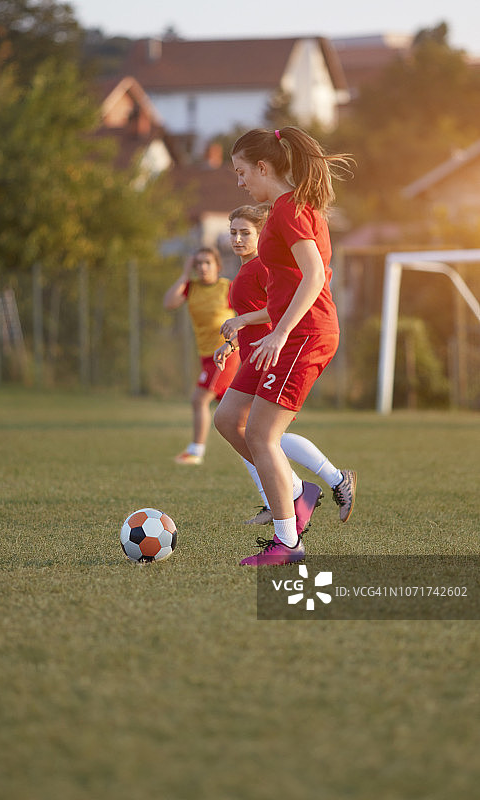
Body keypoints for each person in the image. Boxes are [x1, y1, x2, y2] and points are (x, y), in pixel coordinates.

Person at [214, 126, 356, 566]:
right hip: (289, 332)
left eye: (241, 172)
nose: (239, 182)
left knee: (261, 435)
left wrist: (278, 332)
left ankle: (288, 542)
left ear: (262, 166)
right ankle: (296, 492)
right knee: (228, 419)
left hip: (304, 334)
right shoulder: (283, 208)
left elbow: (314, 276)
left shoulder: (290, 209)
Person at [163, 246, 240, 465]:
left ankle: (196, 451)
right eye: (198, 263)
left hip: (225, 353)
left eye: (207, 263)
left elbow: (246, 317)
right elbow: (169, 303)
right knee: (236, 408)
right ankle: (268, 440)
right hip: (206, 355)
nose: (203, 267)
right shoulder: (191, 288)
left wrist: (232, 343)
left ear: (218, 265)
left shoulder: (227, 288)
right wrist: (185, 274)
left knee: (199, 399)